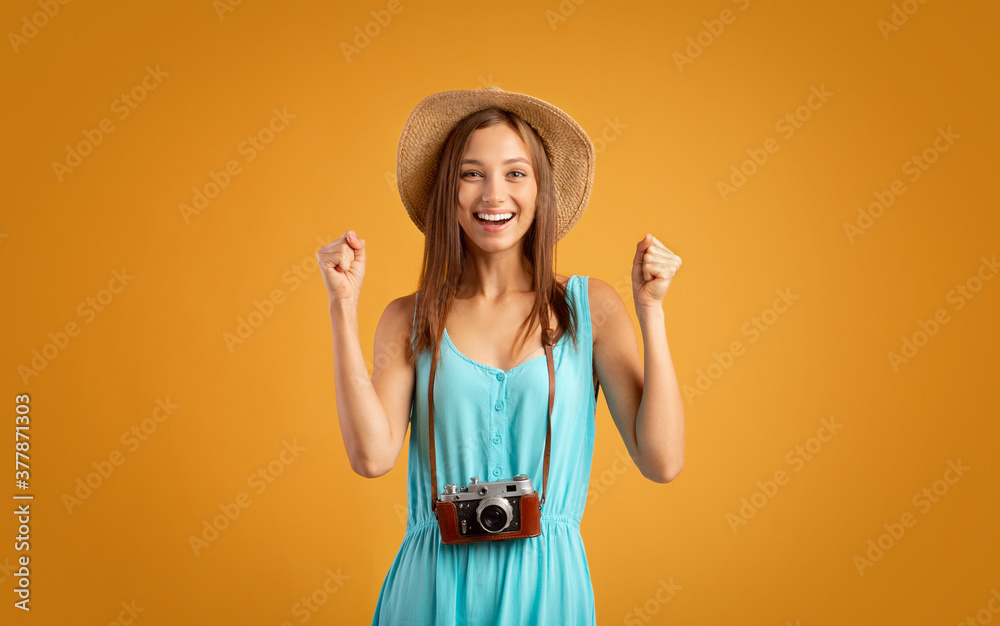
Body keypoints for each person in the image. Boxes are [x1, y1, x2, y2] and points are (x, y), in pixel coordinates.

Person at [317, 86, 685, 625]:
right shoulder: (408, 318)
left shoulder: (590, 307)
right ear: (448, 191)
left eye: (515, 173)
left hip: (547, 591)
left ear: (540, 191)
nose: (494, 194)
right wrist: (342, 305)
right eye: (472, 174)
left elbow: (663, 461)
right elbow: (371, 458)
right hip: (431, 591)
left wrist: (651, 311)